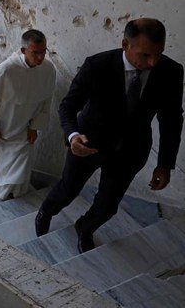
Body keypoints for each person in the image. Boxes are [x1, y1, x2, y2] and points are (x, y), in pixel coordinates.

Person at [36, 18, 183, 253]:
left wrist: (165, 163)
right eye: (145, 55)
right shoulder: (97, 65)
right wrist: (73, 136)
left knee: (107, 207)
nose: (153, 62)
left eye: (159, 53)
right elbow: (68, 106)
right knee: (67, 190)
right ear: (125, 44)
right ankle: (46, 211)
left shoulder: (172, 71)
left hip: (131, 151)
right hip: (88, 144)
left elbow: (172, 120)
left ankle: (84, 228)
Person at [0, 30, 56, 199]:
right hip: (0, 120)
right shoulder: (7, 69)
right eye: (35, 53)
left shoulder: (48, 69)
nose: (40, 57)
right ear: (23, 51)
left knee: (18, 162)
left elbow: (45, 100)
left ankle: (8, 192)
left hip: (23, 125)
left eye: (44, 51)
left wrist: (34, 127)